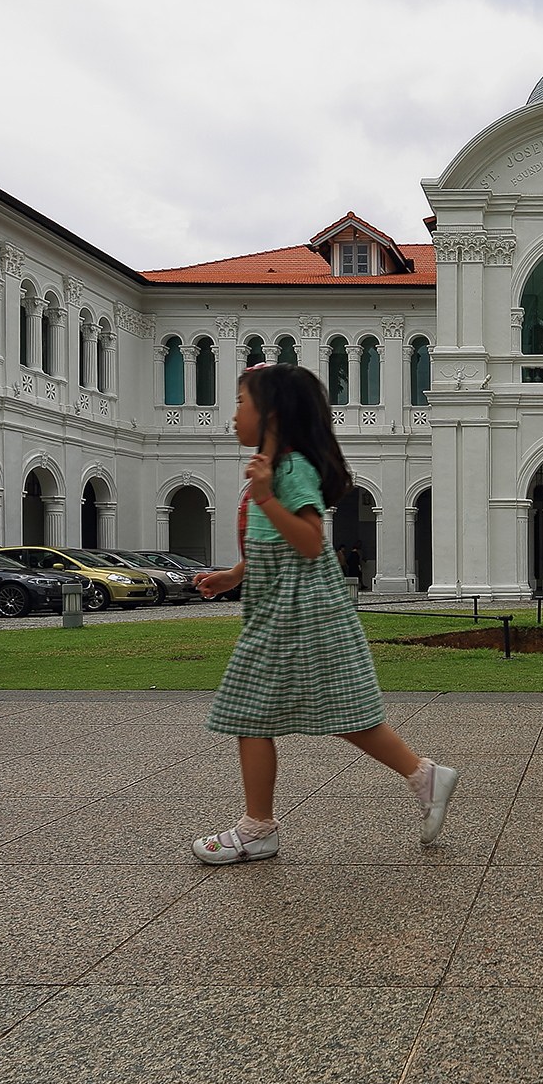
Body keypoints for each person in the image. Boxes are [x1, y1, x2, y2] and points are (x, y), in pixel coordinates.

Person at [191, 362, 456, 863]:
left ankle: (257, 829)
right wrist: (236, 574)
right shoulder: (277, 470)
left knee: (253, 712)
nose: (233, 415)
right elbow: (278, 546)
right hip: (284, 608)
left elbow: (310, 541)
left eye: (241, 402)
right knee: (335, 709)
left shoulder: (290, 471)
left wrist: (267, 497)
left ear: (271, 414)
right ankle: (424, 776)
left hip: (297, 613)